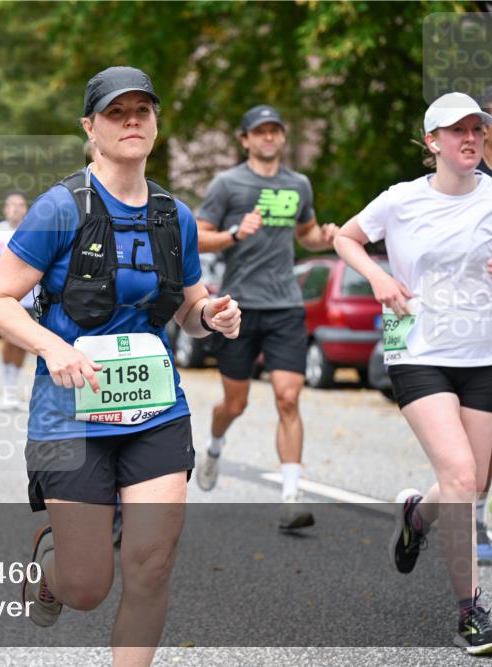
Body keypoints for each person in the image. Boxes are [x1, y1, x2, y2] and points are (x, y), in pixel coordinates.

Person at [0, 67, 240, 666]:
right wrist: (51, 345)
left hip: (154, 409)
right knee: (87, 587)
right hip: (70, 416)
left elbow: (191, 309)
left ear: (155, 124)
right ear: (90, 127)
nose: (131, 122)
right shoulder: (60, 208)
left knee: (150, 565)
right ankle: (52, 572)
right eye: (116, 113)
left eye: (141, 111)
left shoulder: (177, 217)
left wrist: (215, 316)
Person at [334, 91, 492, 655]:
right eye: (457, 131)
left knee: (474, 483)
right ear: (432, 142)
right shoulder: (400, 201)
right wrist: (377, 278)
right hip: (418, 352)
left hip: (482, 355)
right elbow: (344, 237)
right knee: (458, 476)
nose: (469, 138)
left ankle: (416, 518)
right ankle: (471, 611)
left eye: (477, 128)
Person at [193, 104, 338, 530]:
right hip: (238, 308)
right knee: (235, 403)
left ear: (282, 137)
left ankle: (291, 497)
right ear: (245, 140)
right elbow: (197, 239)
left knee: (288, 396)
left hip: (285, 307)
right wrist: (235, 233)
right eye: (260, 131)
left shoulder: (299, 184)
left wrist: (324, 237)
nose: (269, 137)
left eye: (275, 130)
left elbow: (306, 234)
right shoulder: (227, 184)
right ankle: (215, 444)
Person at [0, 192, 34, 409]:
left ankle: (12, 391)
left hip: (29, 296)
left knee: (21, 342)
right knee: (8, 340)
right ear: (5, 209)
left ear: (26, 209)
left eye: (20, 205)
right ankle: (7, 388)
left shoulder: (32, 231)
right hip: (3, 295)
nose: (16, 209)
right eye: (12, 205)